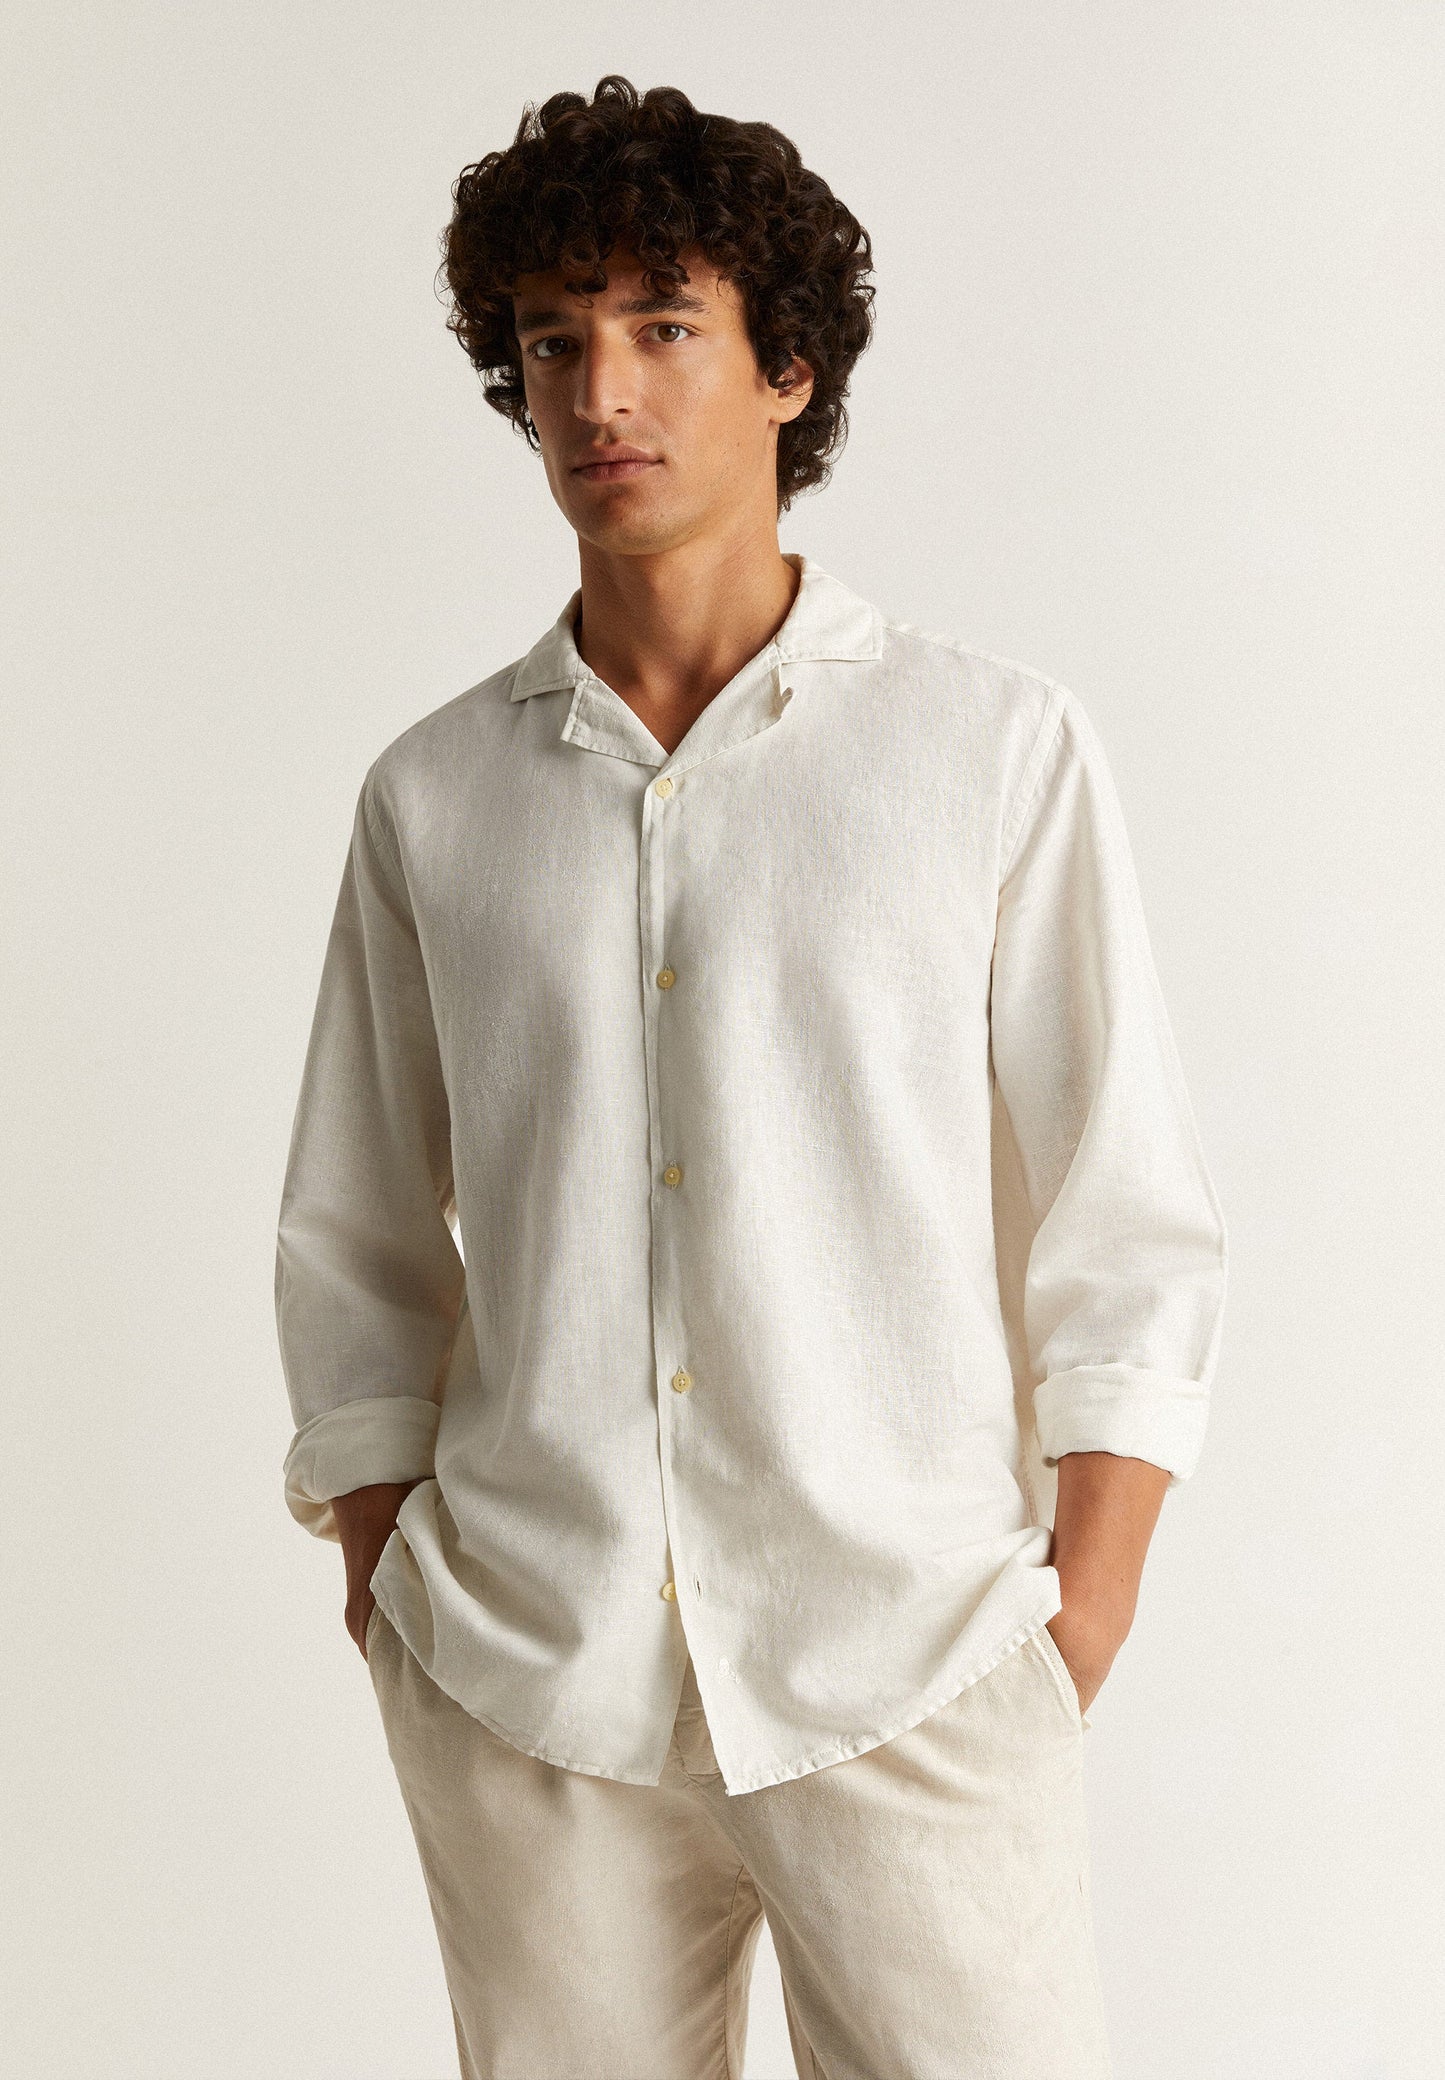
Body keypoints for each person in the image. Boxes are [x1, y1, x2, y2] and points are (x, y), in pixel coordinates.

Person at [275, 74, 1227, 2080]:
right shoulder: (434, 796)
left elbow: (1124, 1211)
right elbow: (357, 1230)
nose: (598, 391)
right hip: (530, 1682)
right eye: (553, 341)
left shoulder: (988, 749)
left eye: (661, 325)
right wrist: (390, 1581)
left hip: (913, 1660)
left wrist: (1080, 1612)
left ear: (788, 366)